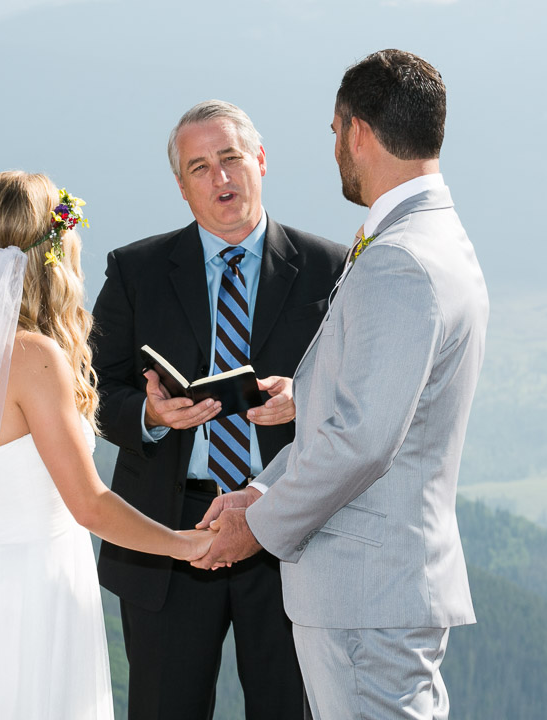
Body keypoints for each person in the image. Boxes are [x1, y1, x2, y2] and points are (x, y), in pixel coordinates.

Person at [194, 50, 490, 720]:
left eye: (334, 131)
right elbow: (353, 411)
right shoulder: (436, 238)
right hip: (382, 587)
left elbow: (361, 440)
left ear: (358, 132)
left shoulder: (399, 260)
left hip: (365, 593)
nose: (333, 149)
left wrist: (257, 526)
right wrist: (260, 489)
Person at [0, 171, 213, 720]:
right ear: (52, 254)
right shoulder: (34, 356)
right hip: (30, 601)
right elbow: (90, 505)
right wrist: (185, 545)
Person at [92, 101, 348, 720]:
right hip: (169, 531)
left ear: (260, 160)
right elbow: (92, 387)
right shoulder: (135, 270)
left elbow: (360, 397)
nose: (220, 178)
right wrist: (150, 415)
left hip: (288, 524)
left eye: (231, 158)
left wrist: (304, 400)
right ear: (182, 188)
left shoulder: (332, 269)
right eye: (199, 168)